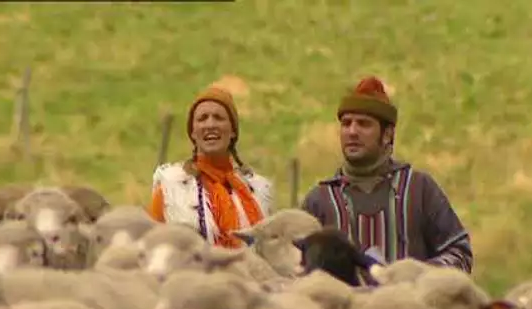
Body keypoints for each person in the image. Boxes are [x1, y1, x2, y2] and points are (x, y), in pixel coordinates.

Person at [301, 76, 473, 273]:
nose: (352, 132)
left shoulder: (419, 189)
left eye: (364, 124)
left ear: (388, 134)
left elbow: (460, 254)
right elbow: (296, 268)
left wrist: (416, 275)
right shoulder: (319, 200)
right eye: (346, 123)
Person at [149, 86, 274, 249]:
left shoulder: (257, 193)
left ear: (233, 131)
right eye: (202, 118)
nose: (210, 124)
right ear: (193, 133)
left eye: (218, 117)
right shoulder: (171, 190)